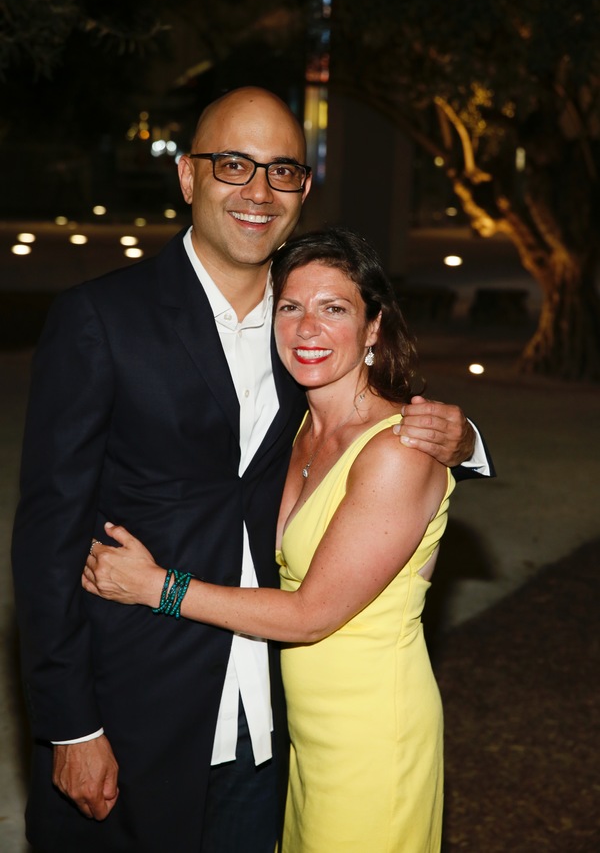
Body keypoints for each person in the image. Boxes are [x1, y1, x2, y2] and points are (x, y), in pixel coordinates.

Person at [11, 86, 493, 853]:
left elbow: (376, 429)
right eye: (234, 164)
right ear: (188, 177)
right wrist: (71, 723)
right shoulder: (101, 319)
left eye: (283, 171)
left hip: (273, 723)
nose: (259, 192)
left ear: (305, 187)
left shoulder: (307, 319)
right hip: (133, 710)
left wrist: (463, 441)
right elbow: (46, 537)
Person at [83, 225, 457, 852]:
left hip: (372, 737)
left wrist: (158, 588)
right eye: (291, 306)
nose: (308, 326)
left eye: (334, 308)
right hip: (301, 737)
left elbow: (311, 615)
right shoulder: (294, 431)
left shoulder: (398, 450)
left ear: (373, 328)